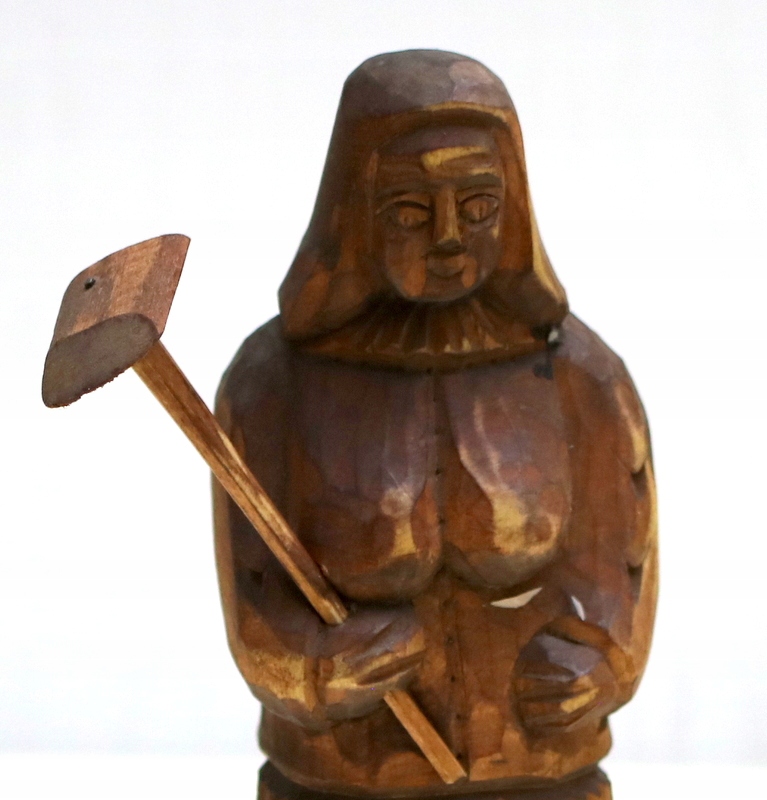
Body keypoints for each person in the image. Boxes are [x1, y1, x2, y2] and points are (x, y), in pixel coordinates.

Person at [213, 50, 657, 800]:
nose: (449, 237)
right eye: (411, 212)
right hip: (345, 777)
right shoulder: (272, 384)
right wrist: (314, 672)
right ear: (356, 212)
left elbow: (622, 562)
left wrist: (602, 662)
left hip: (539, 770)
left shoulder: (581, 375)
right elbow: (253, 595)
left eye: (478, 206)